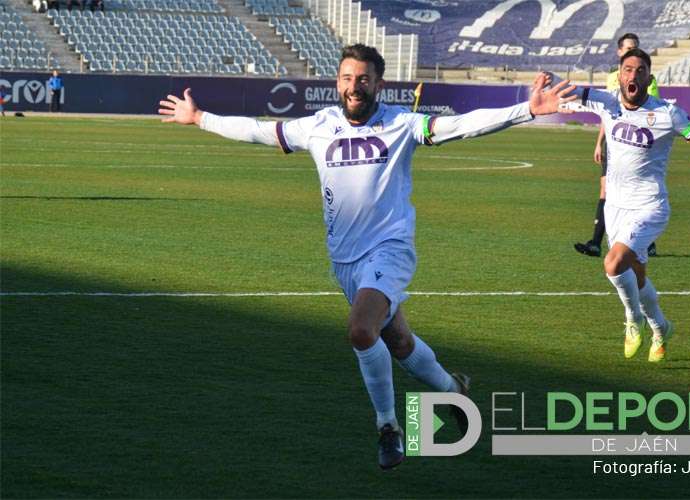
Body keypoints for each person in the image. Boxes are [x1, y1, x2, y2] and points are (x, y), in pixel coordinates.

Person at [158, 44, 575, 469]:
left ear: (379, 84)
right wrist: (199, 117)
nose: (353, 87)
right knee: (399, 342)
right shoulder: (318, 127)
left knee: (361, 331)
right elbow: (259, 131)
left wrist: (526, 109)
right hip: (345, 260)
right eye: (347, 78)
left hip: (389, 249)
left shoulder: (401, 124)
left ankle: (388, 427)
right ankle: (455, 390)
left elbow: (462, 125)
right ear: (337, 83)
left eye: (362, 79)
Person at [559, 48, 690, 363]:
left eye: (640, 71)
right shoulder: (606, 102)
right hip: (615, 207)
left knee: (613, 264)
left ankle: (633, 319)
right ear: (619, 76)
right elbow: (568, 91)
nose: (633, 75)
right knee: (637, 276)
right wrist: (547, 82)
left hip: (649, 206)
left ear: (649, 78)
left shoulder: (668, 114)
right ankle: (661, 327)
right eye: (628, 69)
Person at [575, 33, 660, 258]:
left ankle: (645, 240)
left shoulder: (647, 78)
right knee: (606, 189)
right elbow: (608, 114)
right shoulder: (614, 77)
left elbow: (652, 111)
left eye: (636, 48)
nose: (632, 52)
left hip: (638, 143)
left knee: (637, 191)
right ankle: (596, 242)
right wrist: (599, 143)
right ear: (619, 52)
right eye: (628, 48)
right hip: (614, 142)